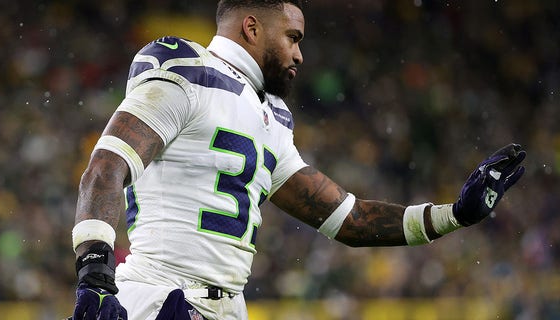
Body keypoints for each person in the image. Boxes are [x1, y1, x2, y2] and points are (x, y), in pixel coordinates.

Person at [70, 1, 526, 319]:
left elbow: (348, 219)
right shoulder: (186, 73)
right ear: (251, 28)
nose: (299, 53)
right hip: (161, 298)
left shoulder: (269, 117)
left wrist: (454, 215)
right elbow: (105, 169)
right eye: (292, 37)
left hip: (223, 307)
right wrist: (95, 276)